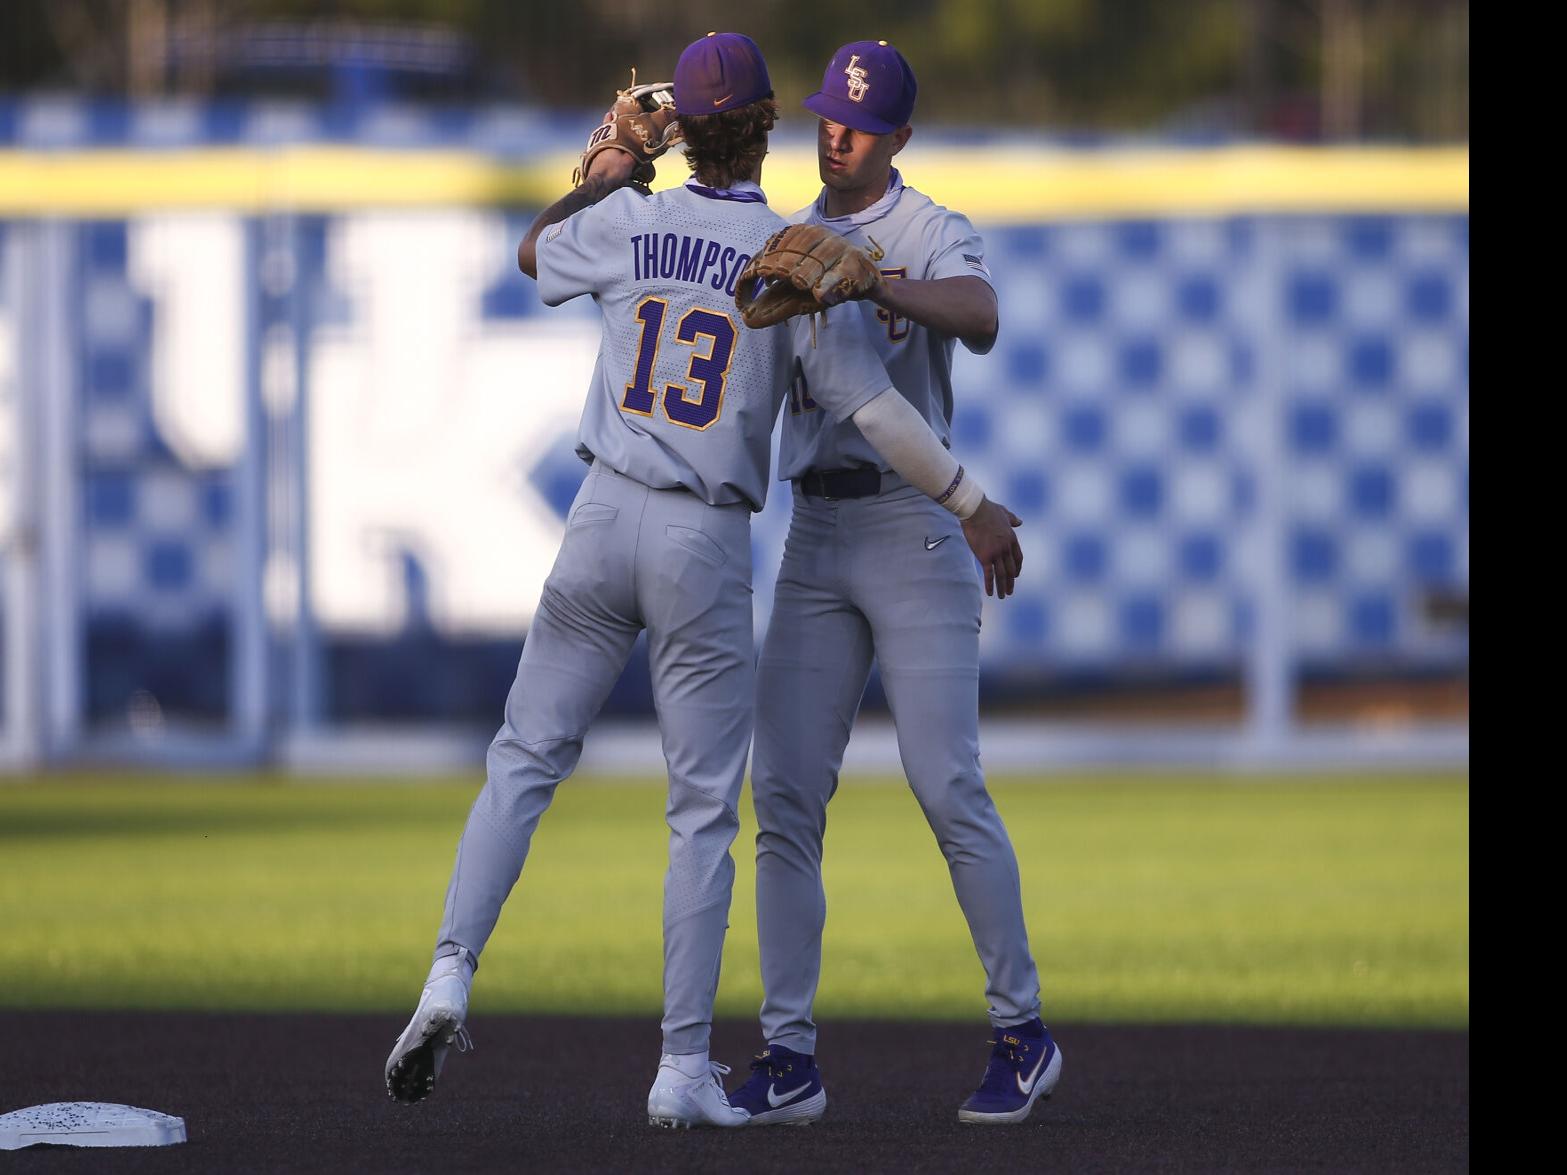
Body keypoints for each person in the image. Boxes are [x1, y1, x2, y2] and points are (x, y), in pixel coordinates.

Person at [383, 31, 1026, 1129]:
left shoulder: (627, 220)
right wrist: (971, 503)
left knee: (524, 757)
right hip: (700, 539)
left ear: (676, 124)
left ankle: (450, 965)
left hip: (597, 515)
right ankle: (682, 1064)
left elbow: (536, 260)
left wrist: (598, 178)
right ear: (768, 126)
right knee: (699, 813)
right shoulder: (786, 255)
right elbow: (877, 412)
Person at [728, 40, 1061, 1127]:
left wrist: (885, 280)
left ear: (900, 140)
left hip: (917, 528)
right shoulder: (786, 231)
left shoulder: (925, 226)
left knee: (945, 781)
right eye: (828, 114)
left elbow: (981, 315)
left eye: (862, 124)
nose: (838, 132)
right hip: (814, 532)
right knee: (781, 793)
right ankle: (788, 1054)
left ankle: (1022, 1029)